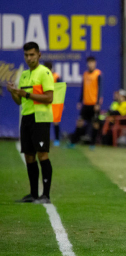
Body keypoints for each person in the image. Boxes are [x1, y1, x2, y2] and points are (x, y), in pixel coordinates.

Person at [6, 42, 54, 204]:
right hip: (26, 118)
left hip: (40, 117)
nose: (29, 58)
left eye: (32, 55)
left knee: (42, 155)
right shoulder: (24, 75)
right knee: (29, 157)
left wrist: (25, 94)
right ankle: (33, 194)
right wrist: (14, 92)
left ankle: (45, 195)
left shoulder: (44, 72)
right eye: (26, 55)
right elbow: (19, 102)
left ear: (39, 55)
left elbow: (49, 98)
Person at [69, 56, 102, 149]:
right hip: (86, 103)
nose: (91, 64)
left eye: (92, 62)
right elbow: (83, 88)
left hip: (94, 104)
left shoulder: (98, 74)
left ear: (95, 63)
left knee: (95, 124)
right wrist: (80, 101)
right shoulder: (85, 74)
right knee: (79, 122)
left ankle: (92, 144)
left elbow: (100, 89)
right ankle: (73, 142)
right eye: (89, 62)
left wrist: (97, 104)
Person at [44, 61, 62, 147]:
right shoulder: (43, 77)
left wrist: (60, 102)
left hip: (55, 102)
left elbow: (60, 90)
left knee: (55, 122)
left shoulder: (56, 77)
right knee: (45, 121)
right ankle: (44, 139)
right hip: (46, 102)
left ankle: (57, 139)